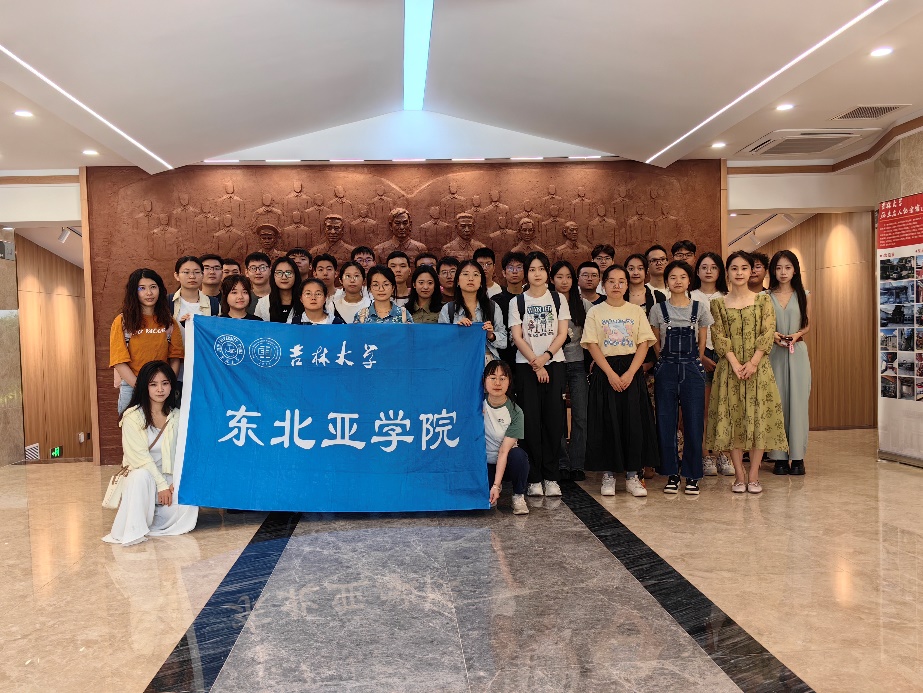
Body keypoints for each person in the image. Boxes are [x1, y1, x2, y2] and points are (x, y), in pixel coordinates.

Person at [706, 251, 788, 493]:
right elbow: (718, 336)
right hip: (729, 369)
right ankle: (739, 476)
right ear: (727, 272)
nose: (739, 273)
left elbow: (767, 332)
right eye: (734, 268)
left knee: (758, 419)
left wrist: (753, 362)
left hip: (758, 370)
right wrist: (733, 362)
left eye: (744, 268)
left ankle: (754, 476)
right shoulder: (717, 304)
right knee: (733, 420)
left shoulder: (763, 300)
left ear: (751, 271)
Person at [582, 264, 658, 498]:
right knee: (607, 423)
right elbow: (592, 344)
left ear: (627, 285)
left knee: (633, 423)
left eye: (621, 281)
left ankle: (633, 476)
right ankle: (608, 475)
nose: (616, 285)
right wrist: (610, 374)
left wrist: (630, 373)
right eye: (611, 281)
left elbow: (644, 344)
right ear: (603, 285)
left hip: (631, 370)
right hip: (605, 371)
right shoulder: (595, 312)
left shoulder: (636, 311)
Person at [102, 360, 198, 546]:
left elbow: (184, 454)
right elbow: (140, 459)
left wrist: (176, 483)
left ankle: (155, 525)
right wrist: (161, 485)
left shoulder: (177, 416)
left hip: (168, 482)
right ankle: (135, 528)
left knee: (190, 499)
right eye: (153, 384)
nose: (160, 389)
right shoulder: (132, 417)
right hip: (144, 481)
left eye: (165, 383)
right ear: (144, 387)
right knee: (141, 476)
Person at [507, 251, 570, 498]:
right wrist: (536, 363)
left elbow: (562, 334)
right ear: (526, 273)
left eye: (541, 269)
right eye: (532, 269)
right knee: (530, 422)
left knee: (553, 421)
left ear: (548, 272)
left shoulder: (558, 298)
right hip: (526, 366)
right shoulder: (517, 302)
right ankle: (534, 478)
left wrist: (546, 358)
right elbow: (517, 336)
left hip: (554, 364)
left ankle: (551, 476)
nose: (537, 274)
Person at [648, 261, 713, 495]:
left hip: (692, 368)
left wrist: (696, 360)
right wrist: (663, 362)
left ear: (689, 280)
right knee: (666, 421)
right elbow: (655, 341)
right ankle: (672, 474)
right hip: (666, 368)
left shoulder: (700, 308)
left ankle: (693, 474)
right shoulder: (658, 310)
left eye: (683, 276)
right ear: (666, 281)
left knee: (694, 422)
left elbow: (702, 342)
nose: (678, 281)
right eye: (673, 277)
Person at [109, 269, 184, 415]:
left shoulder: (169, 322)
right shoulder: (122, 322)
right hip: (132, 387)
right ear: (133, 292)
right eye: (142, 288)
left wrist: (166, 384)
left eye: (153, 287)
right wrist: (142, 388)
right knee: (133, 428)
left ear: (160, 289)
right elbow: (119, 361)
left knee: (164, 429)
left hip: (162, 390)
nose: (149, 293)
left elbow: (175, 358)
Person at [767, 250, 812, 476]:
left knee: (798, 403)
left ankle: (798, 457)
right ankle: (779, 458)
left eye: (787, 267)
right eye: (778, 268)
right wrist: (774, 335)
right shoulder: (765, 296)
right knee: (777, 403)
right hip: (774, 353)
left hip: (797, 353)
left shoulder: (804, 294)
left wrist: (797, 335)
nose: (783, 272)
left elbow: (807, 324)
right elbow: (763, 325)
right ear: (773, 271)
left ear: (795, 270)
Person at [691, 252, 732, 476]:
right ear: (697, 271)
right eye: (704, 267)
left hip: (726, 356)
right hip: (701, 355)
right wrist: (700, 356)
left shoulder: (728, 297)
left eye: (713, 267)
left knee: (725, 408)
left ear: (720, 272)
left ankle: (723, 453)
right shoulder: (690, 296)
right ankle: (706, 455)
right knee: (705, 409)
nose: (708, 271)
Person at [550, 260, 591, 482]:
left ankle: (577, 463)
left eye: (568, 277)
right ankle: (562, 463)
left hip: (577, 364)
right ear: (552, 280)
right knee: (556, 415)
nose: (564, 281)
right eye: (559, 277)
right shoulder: (547, 303)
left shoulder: (583, 305)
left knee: (580, 415)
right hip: (554, 363)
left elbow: (592, 337)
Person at [483, 359, 530, 515]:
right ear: (484, 381)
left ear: (509, 382)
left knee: (518, 456)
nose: (497, 383)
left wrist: (496, 486)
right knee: (486, 503)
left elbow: (504, 451)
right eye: (492, 378)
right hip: (483, 464)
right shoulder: (477, 405)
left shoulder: (516, 412)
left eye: (502, 378)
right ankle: (491, 485)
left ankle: (518, 495)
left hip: (506, 461)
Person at [439, 260, 506, 361]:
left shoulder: (493, 307)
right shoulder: (448, 309)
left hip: (487, 360)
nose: (470, 278)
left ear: (481, 282)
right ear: (457, 281)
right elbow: (442, 342)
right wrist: (456, 330)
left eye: (475, 275)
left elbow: (504, 342)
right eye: (465, 274)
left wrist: (491, 336)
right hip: (458, 360)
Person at [494, 252, 527, 370]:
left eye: (519, 267)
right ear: (503, 273)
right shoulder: (496, 301)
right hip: (504, 359)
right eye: (510, 268)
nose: (515, 271)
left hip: (529, 358)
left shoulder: (531, 298)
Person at [171, 256, 216, 326]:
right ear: (177, 276)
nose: (192, 276)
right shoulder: (167, 302)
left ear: (202, 275)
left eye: (197, 272)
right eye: (186, 272)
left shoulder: (213, 304)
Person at [254, 256, 299, 323]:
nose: (284, 277)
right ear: (273, 276)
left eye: (288, 273)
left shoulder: (304, 301)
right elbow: (256, 327)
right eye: (279, 273)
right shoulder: (263, 303)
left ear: (296, 275)